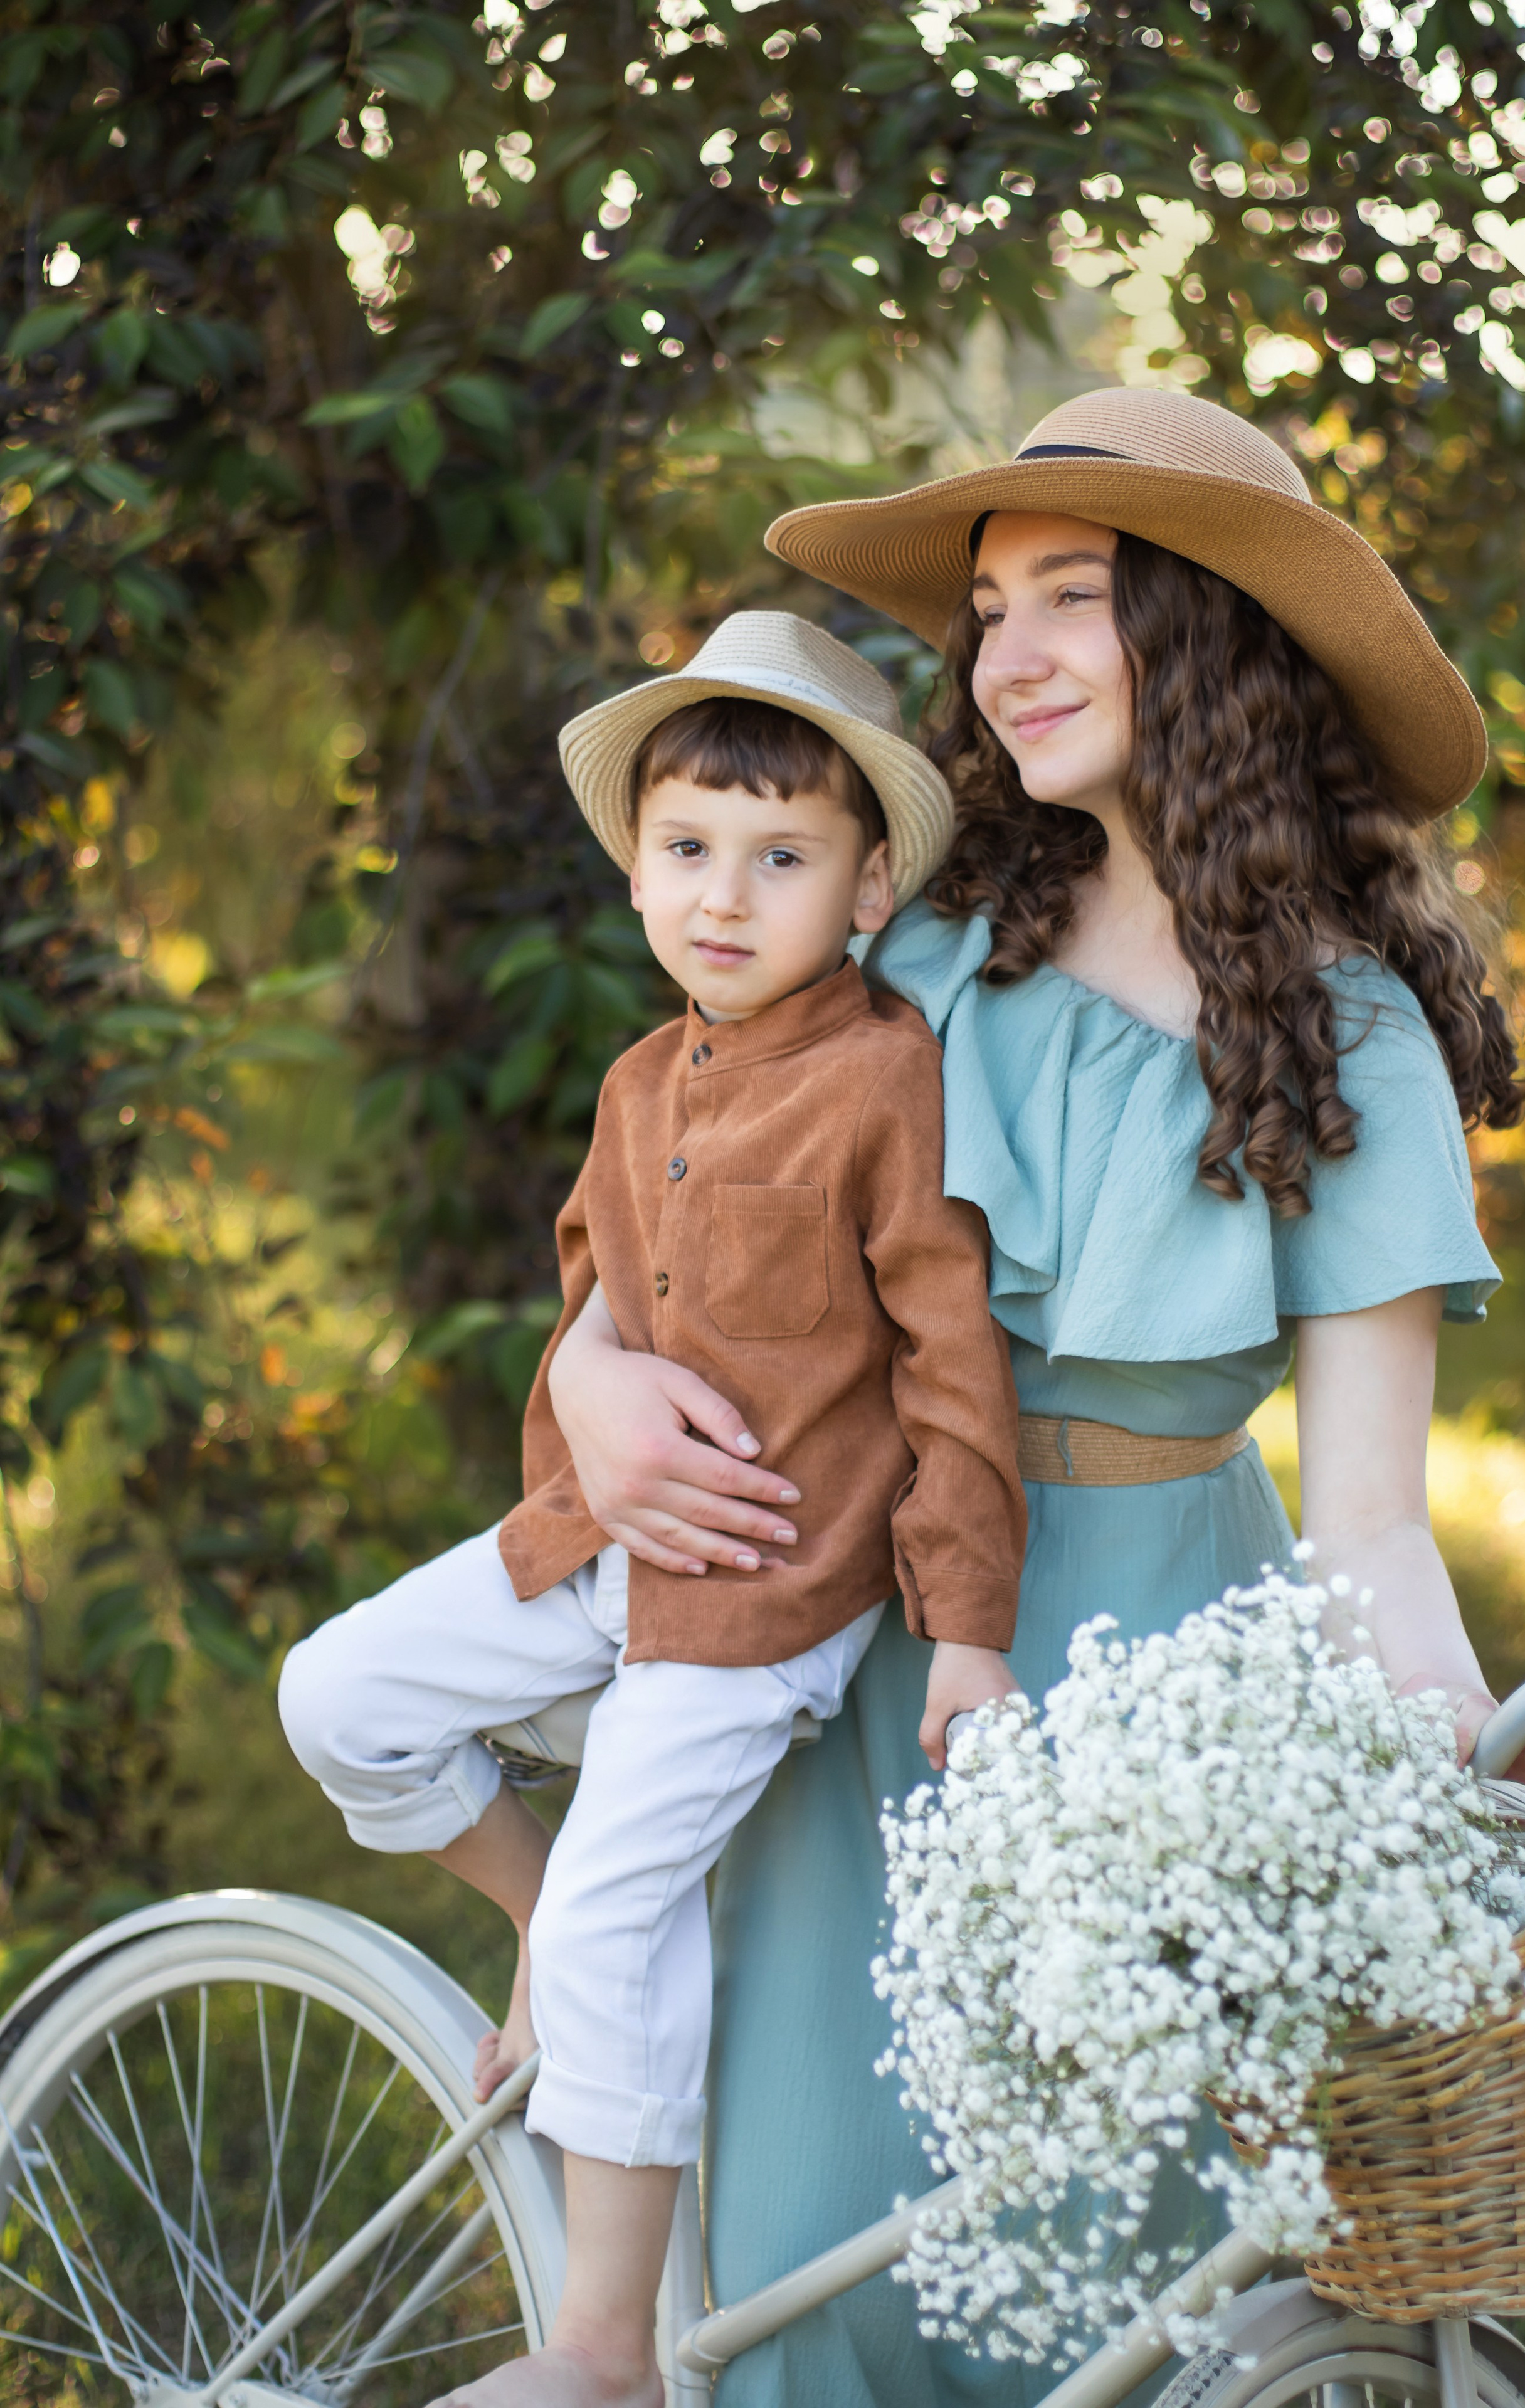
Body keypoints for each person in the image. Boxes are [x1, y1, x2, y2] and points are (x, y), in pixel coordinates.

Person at [539, 388, 1525, 2408]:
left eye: (1072, 595)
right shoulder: (917, 948)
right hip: (873, 1626)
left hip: (1174, 1693)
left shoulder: (1345, 1035)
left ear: (1211, 633)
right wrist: (592, 1378)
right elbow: (674, 1208)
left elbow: (1370, 1521)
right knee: (826, 2251)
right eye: (990, 611)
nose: (1009, 654)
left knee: (1137, 2284)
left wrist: (1461, 1767)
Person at [277, 610, 1026, 2408]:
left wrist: (969, 1630)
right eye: (688, 848)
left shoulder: (887, 1083)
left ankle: (606, 2350)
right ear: (634, 869)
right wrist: (586, 1396)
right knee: (339, 1696)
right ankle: (534, 1919)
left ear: (865, 890)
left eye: (781, 859)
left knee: (629, 1915)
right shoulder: (637, 1083)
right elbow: (600, 1297)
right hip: (599, 1544)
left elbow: (952, 1367)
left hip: (762, 1599)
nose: (723, 896)